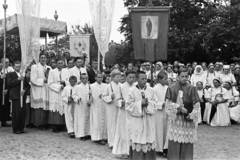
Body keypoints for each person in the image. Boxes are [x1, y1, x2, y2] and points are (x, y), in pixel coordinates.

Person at [165, 68, 200, 160]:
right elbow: (167, 104)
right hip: (176, 119)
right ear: (177, 76)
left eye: (186, 76)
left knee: (187, 143)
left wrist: (192, 114)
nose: (184, 78)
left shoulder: (192, 88)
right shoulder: (171, 87)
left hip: (188, 119)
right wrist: (179, 108)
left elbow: (196, 105)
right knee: (174, 143)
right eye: (182, 76)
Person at [126, 71, 159, 160]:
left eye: (146, 79)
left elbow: (156, 104)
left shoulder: (151, 90)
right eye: (142, 79)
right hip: (137, 121)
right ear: (137, 79)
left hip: (148, 120)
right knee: (138, 141)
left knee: (148, 141)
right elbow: (128, 106)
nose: (145, 81)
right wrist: (140, 103)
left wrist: (148, 103)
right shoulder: (132, 90)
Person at [112, 70, 136, 158]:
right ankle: (124, 151)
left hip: (133, 112)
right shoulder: (121, 87)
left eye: (133, 77)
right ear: (126, 77)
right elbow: (117, 99)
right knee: (124, 131)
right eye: (130, 77)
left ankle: (133, 151)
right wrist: (121, 103)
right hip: (124, 112)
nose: (131, 79)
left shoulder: (136, 86)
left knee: (133, 131)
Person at [102, 69, 122, 148]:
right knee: (112, 124)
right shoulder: (108, 86)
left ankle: (119, 142)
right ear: (112, 77)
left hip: (119, 107)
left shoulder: (121, 85)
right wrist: (110, 97)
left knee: (118, 124)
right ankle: (112, 143)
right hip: (111, 107)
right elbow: (103, 96)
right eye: (117, 77)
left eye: (120, 77)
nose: (119, 78)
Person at [48, 58, 69, 133]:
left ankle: (62, 125)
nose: (60, 65)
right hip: (55, 92)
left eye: (61, 63)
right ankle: (55, 126)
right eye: (59, 63)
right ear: (56, 64)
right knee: (55, 108)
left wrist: (65, 82)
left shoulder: (66, 71)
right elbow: (49, 83)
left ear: (63, 64)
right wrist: (59, 87)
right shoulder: (52, 72)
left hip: (63, 92)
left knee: (63, 108)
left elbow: (69, 81)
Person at [30, 52, 50, 130]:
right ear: (39, 58)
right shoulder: (35, 67)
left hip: (46, 88)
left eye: (44, 58)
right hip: (38, 89)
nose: (43, 59)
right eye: (41, 58)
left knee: (46, 106)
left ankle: (46, 122)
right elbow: (33, 80)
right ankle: (40, 123)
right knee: (40, 107)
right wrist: (43, 81)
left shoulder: (48, 67)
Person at [7, 61, 26, 134]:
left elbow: (27, 85)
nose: (18, 68)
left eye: (19, 66)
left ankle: (22, 127)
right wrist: (18, 79)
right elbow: (9, 83)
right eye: (16, 66)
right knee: (16, 113)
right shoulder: (11, 74)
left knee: (23, 113)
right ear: (14, 67)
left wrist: (24, 90)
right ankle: (16, 128)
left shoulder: (23, 75)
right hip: (15, 96)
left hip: (22, 96)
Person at [153, 71, 168, 157]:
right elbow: (154, 101)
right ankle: (159, 148)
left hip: (166, 111)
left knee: (166, 129)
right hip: (158, 112)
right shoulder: (154, 89)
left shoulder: (167, 88)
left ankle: (166, 147)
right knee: (159, 129)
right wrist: (161, 104)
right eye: (165, 79)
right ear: (159, 79)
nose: (166, 80)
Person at [90, 72, 107, 144]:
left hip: (104, 105)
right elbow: (89, 95)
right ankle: (97, 137)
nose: (100, 79)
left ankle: (104, 137)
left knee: (104, 121)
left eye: (101, 77)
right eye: (98, 77)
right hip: (95, 105)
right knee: (97, 121)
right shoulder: (91, 85)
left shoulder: (106, 85)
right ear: (95, 78)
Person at [75, 73, 92, 140]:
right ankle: (81, 134)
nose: (85, 80)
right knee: (81, 119)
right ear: (81, 79)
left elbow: (92, 95)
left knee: (88, 118)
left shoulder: (90, 86)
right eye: (83, 78)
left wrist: (90, 100)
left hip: (88, 105)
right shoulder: (77, 87)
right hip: (81, 105)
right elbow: (74, 95)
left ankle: (88, 133)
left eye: (86, 78)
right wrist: (77, 99)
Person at [0, 61, 11, 127]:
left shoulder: (8, 71)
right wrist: (1, 78)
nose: (8, 63)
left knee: (5, 107)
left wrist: (7, 90)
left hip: (5, 92)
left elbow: (9, 82)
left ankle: (4, 121)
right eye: (6, 62)